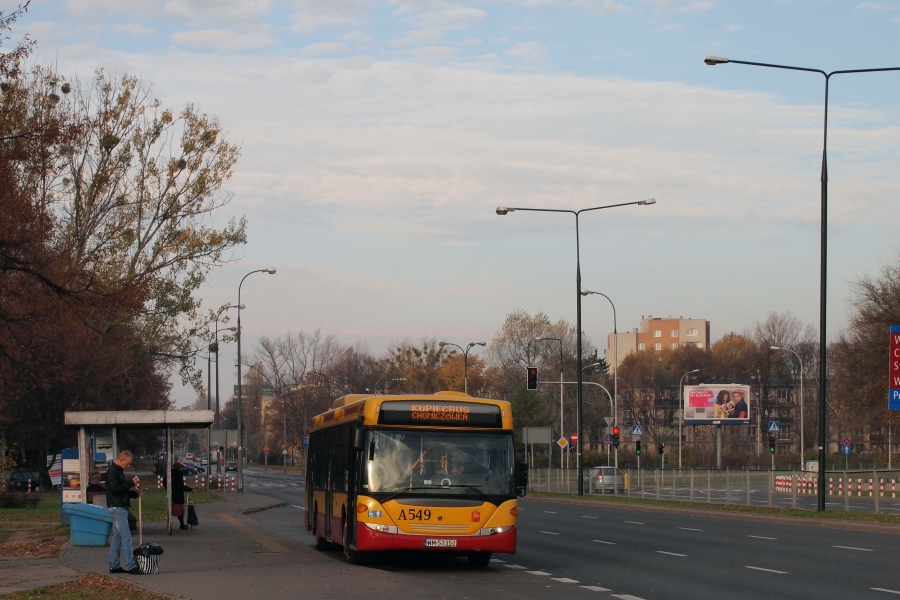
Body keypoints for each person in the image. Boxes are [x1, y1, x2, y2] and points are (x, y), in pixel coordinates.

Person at [105, 450, 142, 575]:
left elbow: (122, 491)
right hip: (117, 508)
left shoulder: (118, 471)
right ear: (121, 460)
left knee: (118, 538)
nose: (128, 466)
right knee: (126, 537)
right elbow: (115, 490)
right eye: (127, 463)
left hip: (120, 506)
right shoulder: (112, 472)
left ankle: (114, 565)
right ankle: (132, 566)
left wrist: (134, 493)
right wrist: (131, 483)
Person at [168, 459, 193, 530]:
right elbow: (180, 486)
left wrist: (168, 489)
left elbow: (164, 481)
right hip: (178, 496)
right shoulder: (178, 474)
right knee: (179, 511)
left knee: (173, 508)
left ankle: (173, 523)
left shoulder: (171, 474)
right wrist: (189, 489)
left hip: (172, 494)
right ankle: (182, 524)